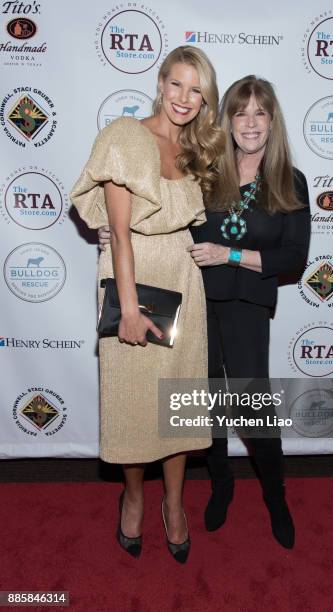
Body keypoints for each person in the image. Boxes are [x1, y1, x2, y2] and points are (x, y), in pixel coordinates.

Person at [99, 75, 310, 549]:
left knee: (253, 410)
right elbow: (166, 215)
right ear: (227, 120)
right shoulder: (207, 169)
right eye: (240, 112)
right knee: (203, 404)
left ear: (272, 121)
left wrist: (231, 255)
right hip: (194, 297)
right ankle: (222, 486)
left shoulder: (289, 180)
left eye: (259, 113)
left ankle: (276, 497)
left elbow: (293, 259)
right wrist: (116, 230)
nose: (250, 123)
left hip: (247, 305)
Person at [71, 45, 224, 564]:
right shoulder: (125, 137)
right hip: (131, 283)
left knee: (178, 407)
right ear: (160, 83)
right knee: (134, 405)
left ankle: (175, 504)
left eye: (196, 89)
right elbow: (118, 232)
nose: (184, 98)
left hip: (183, 280)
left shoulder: (194, 152)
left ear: (205, 99)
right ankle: (134, 496)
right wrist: (130, 310)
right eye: (177, 84)